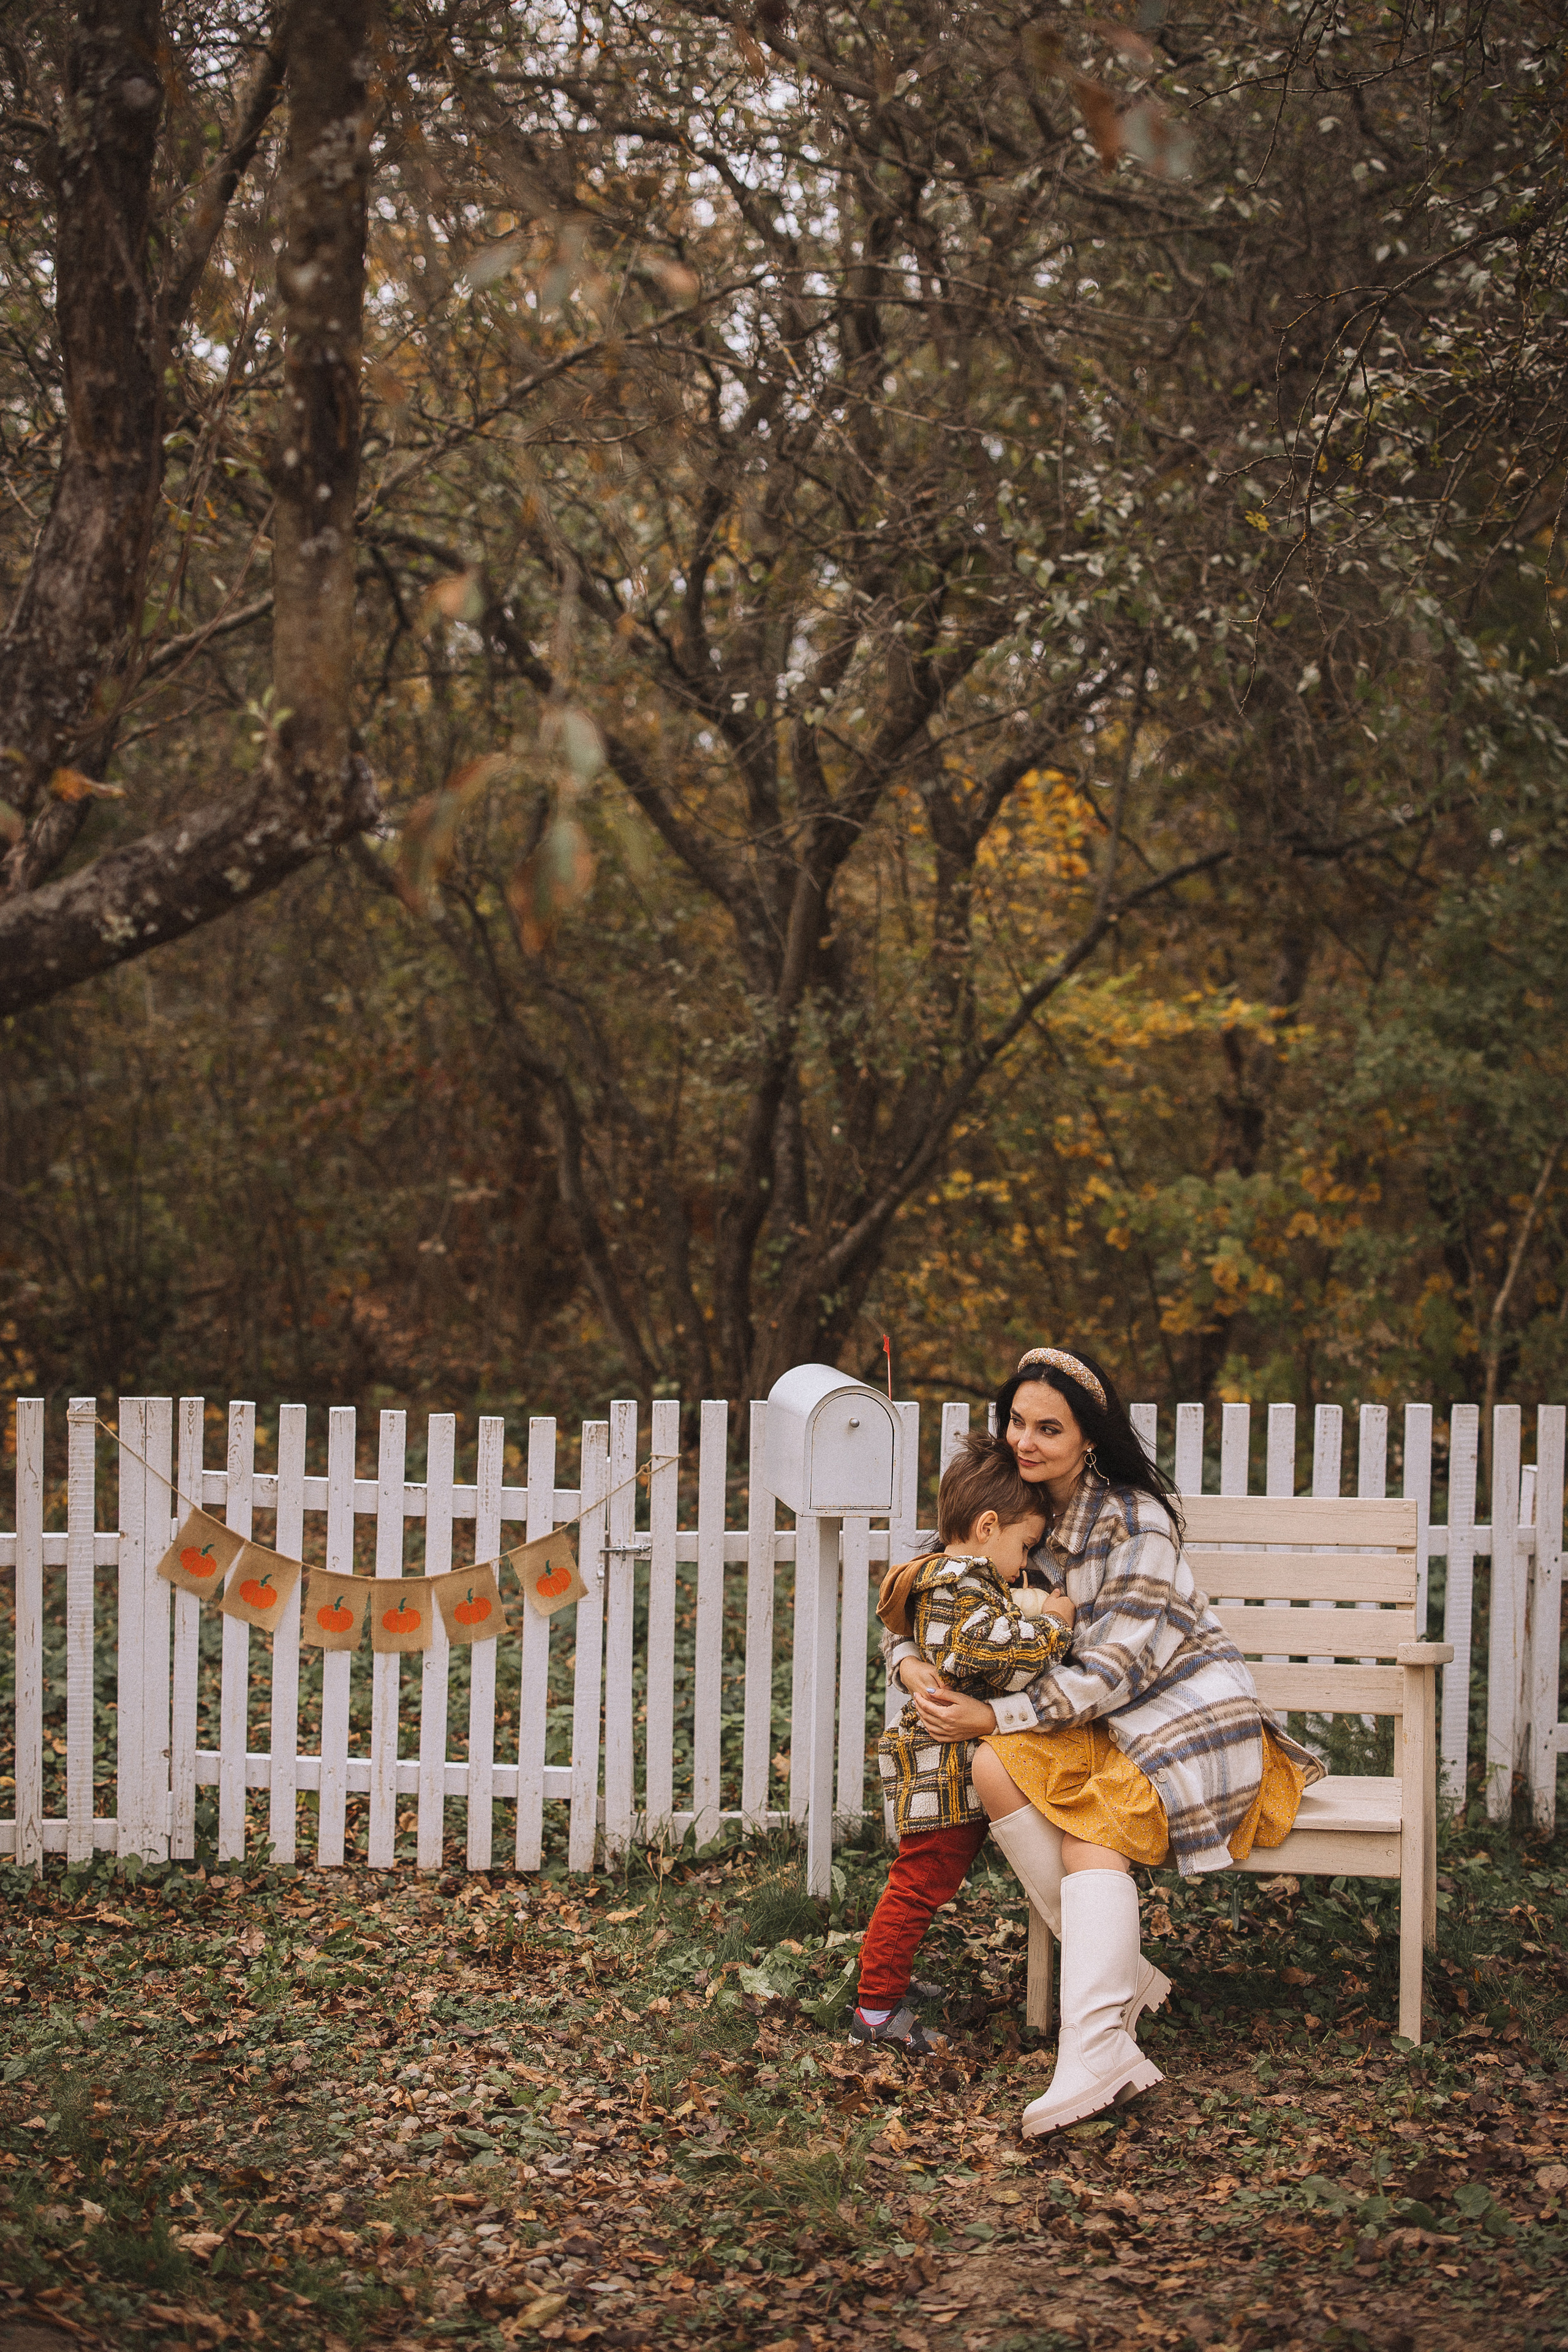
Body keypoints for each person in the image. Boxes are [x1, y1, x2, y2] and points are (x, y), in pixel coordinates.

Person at [886, 1346, 1321, 2134]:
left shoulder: (1134, 1522)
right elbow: (926, 1589)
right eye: (1017, 1421)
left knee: (1089, 1830)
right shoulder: (1003, 1495)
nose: (1024, 1441)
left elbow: (1112, 1674)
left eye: (1048, 1428)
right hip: (1085, 1720)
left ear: (1089, 1438)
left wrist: (993, 1715)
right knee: (993, 1769)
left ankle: (1094, 2047)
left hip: (1184, 1711)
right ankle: (1126, 1981)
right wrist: (910, 1663)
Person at [851, 1435, 1074, 2053]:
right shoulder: (963, 1582)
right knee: (919, 1884)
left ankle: (885, 1980)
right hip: (943, 1768)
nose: (1023, 1567)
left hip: (946, 1764)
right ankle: (875, 2010)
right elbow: (993, 1653)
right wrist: (1053, 1625)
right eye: (1024, 1547)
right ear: (987, 1526)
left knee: (924, 1882)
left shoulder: (941, 1575)